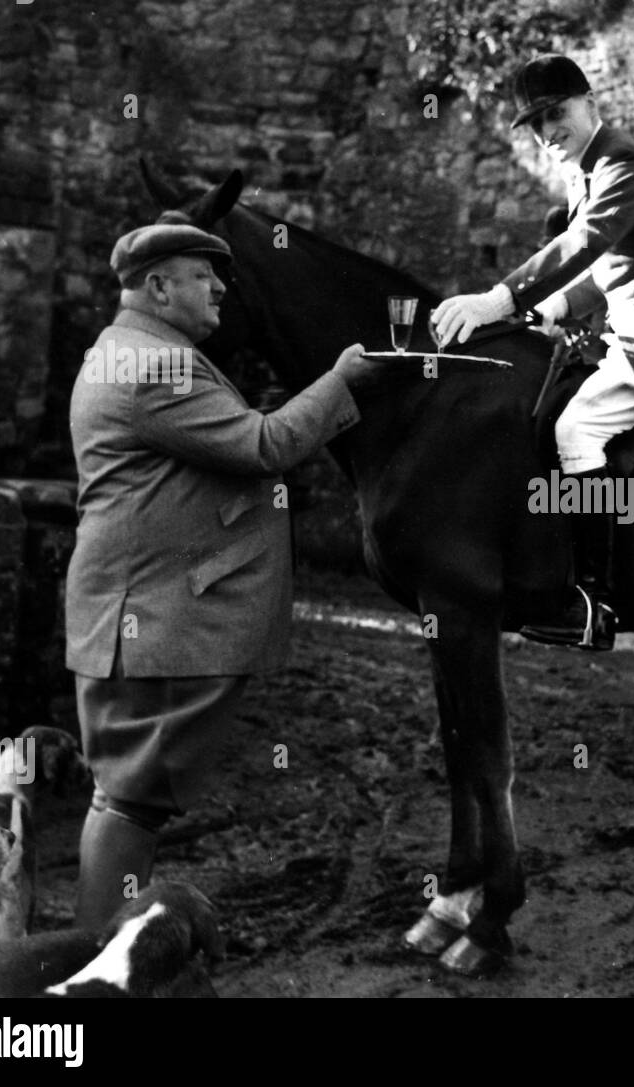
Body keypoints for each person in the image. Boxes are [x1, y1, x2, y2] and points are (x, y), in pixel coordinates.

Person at [67, 219, 381, 928]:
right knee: (129, 798)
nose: (219, 288)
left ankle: (98, 958)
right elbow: (264, 444)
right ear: (157, 286)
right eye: (204, 275)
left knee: (124, 793)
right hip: (148, 621)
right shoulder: (157, 364)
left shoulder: (129, 349)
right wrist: (342, 379)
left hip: (131, 616)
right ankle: (91, 970)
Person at [432, 54, 634, 651]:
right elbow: (604, 269)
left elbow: (584, 243)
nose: (546, 132)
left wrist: (495, 300)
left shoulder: (625, 163)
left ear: (591, 105)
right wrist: (549, 310)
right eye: (534, 124)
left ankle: (593, 601)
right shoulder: (586, 170)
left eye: (555, 114)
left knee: (575, 431)